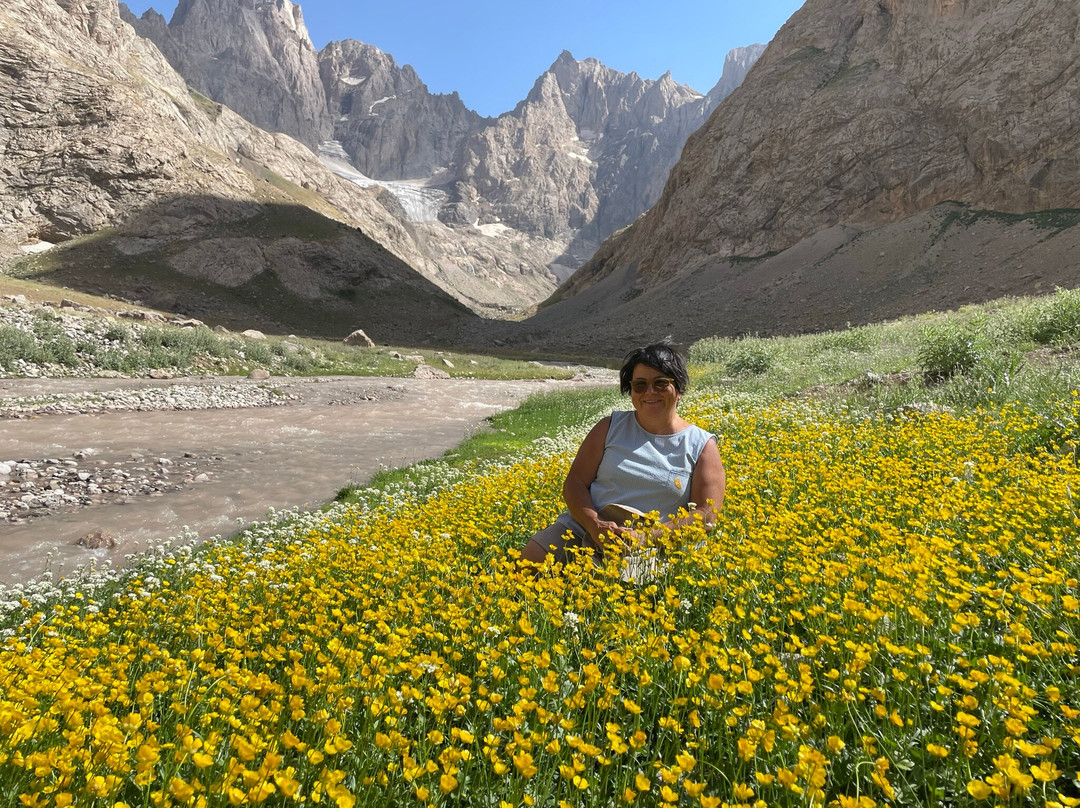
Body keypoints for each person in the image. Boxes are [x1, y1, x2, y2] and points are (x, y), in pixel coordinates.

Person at [520, 340, 726, 569]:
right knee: (530, 561)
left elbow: (706, 514)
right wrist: (595, 525)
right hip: (587, 529)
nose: (650, 392)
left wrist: (647, 537)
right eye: (640, 385)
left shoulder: (701, 445)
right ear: (631, 391)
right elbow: (574, 483)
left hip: (655, 544)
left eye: (660, 383)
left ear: (678, 389)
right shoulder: (609, 427)